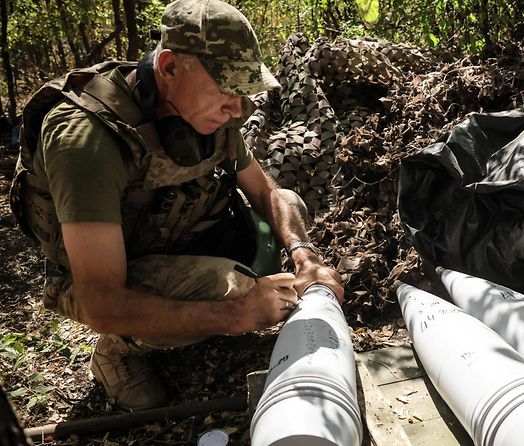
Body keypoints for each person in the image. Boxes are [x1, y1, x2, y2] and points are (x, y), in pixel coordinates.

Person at [9, 0, 344, 411]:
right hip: (102, 275)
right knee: (230, 289)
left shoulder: (210, 111)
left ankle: (192, 300)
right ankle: (117, 352)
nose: (238, 109)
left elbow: (267, 193)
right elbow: (100, 297)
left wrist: (302, 253)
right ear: (168, 67)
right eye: (225, 89)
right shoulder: (88, 138)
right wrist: (238, 314)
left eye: (244, 91)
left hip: (181, 235)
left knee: (290, 205)